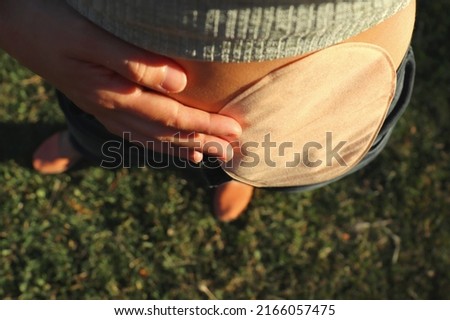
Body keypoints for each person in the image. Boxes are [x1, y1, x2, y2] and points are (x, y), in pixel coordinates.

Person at [0, 0, 416, 221]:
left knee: (283, 171)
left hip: (325, 111)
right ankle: (82, 144)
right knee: (97, 134)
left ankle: (244, 176)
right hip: (113, 87)